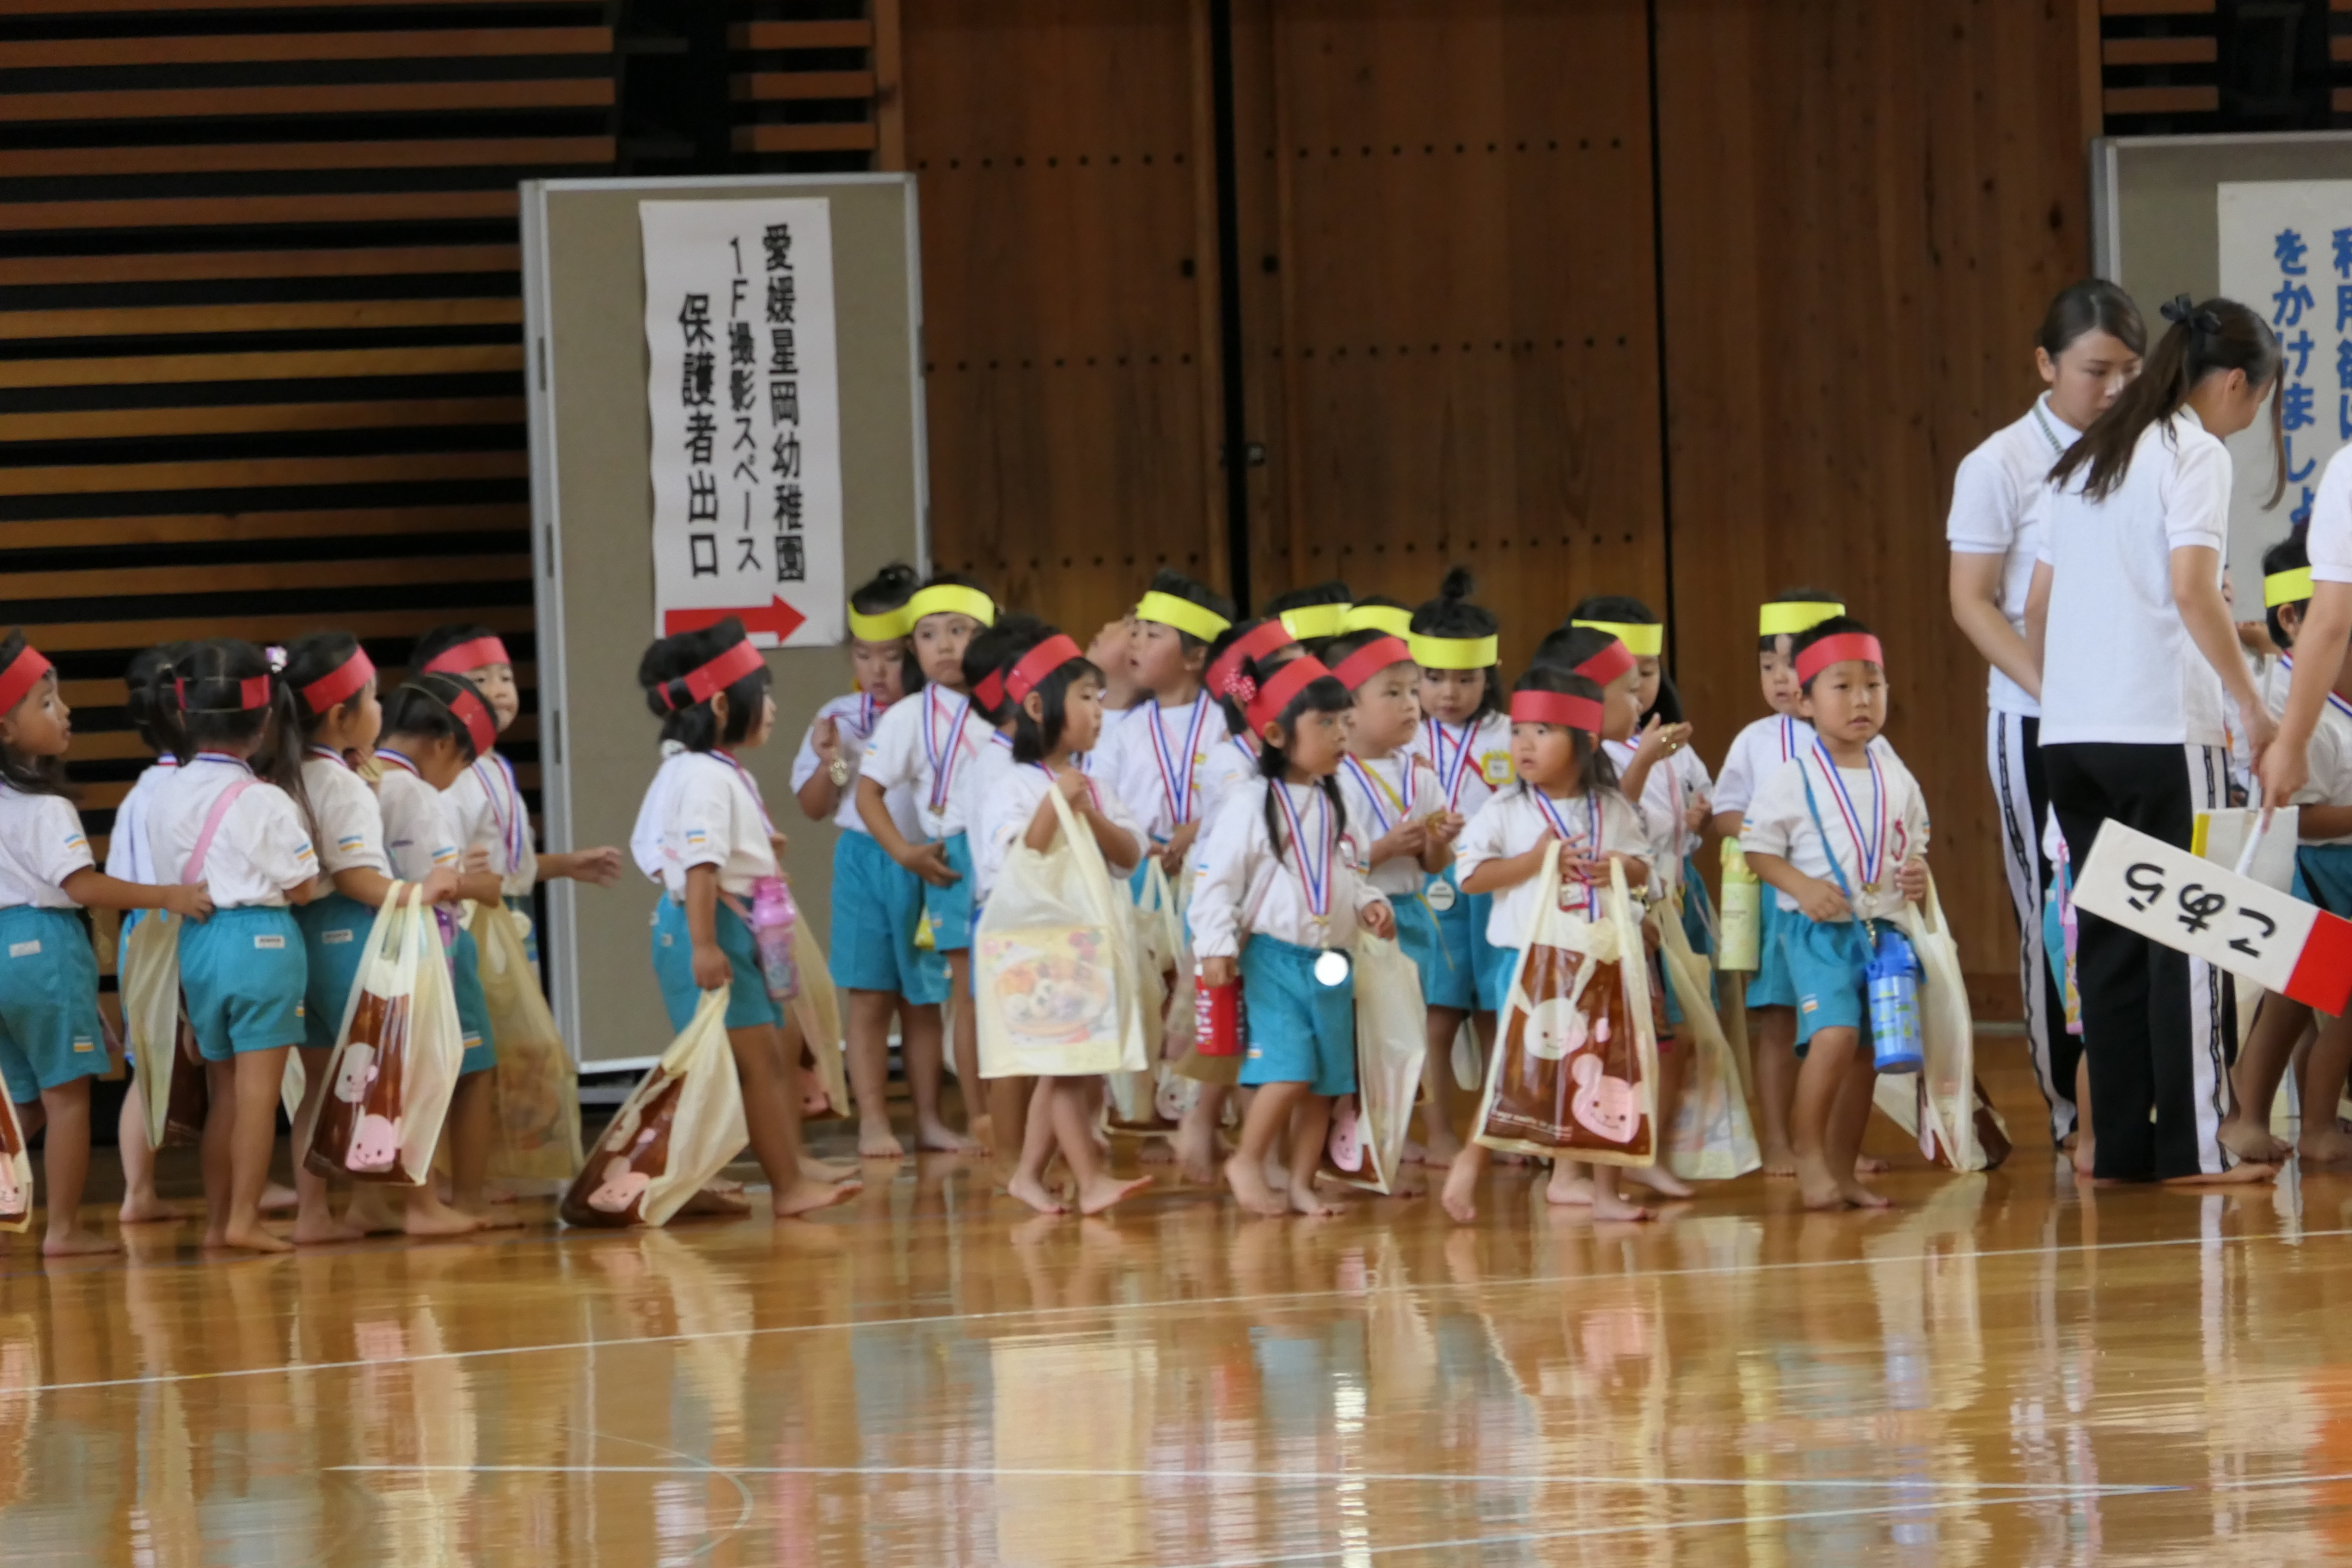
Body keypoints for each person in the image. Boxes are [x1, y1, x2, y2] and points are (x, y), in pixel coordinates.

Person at [2027, 293, 2284, 1186]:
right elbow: (2191, 588)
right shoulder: (2195, 451)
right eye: (2259, 401)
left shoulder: (2087, 452)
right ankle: (2197, 1148)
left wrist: (2071, 695)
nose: (2250, 418)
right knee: (2189, 938)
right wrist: (2252, 707)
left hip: (2070, 737)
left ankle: (2121, 1149)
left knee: (2108, 940)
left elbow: (2037, 607)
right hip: (2161, 733)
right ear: (2237, 383)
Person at [1947, 279, 2147, 1153]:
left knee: (2133, 902)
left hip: (2133, 718)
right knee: (2053, 911)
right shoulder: (1999, 464)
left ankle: (2138, 1100)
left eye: (2131, 370)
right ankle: (2070, 1109)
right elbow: (1973, 601)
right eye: (2096, 371)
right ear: (2045, 364)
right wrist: (2052, 688)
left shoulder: (2150, 451)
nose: (2115, 389)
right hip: (2037, 718)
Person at [632, 618, 861, 1220]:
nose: (774, 707)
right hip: (724, 922)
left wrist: (756, 849)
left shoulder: (712, 767)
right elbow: (701, 864)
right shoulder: (706, 773)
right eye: (764, 694)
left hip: (742, 918)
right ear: (720, 704)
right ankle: (784, 1185)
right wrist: (706, 944)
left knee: (772, 1053)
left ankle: (782, 1169)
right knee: (755, 1063)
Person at [0, 635, 209, 1255]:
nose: (64, 711)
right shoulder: (44, 806)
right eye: (46, 702)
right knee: (68, 1099)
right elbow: (82, 885)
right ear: (5, 729)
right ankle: (63, 1230)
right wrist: (169, 895)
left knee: (23, 1104)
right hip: (42, 944)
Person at [1442, 666, 1653, 1223]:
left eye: (1543, 731)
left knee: (1606, 1072)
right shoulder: (1504, 810)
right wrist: (1537, 860)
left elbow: (1643, 869)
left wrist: (1619, 866)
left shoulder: (1612, 807)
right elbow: (1471, 878)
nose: (1524, 744)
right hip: (1529, 963)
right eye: (1518, 731)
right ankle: (1471, 1161)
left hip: (1601, 960)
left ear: (1586, 741)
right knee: (1522, 1072)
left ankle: (1601, 1190)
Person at [1191, 648, 1396, 1217]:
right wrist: (1215, 946)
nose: (1341, 734)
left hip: (1332, 959)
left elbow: (1351, 871)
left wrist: (1371, 904)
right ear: (1278, 734)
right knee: (1289, 1069)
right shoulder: (1250, 801)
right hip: (1273, 961)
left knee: (1327, 1082)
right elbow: (1217, 881)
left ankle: (1304, 1182)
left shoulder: (1338, 799)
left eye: (1344, 722)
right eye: (1325, 723)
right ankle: (1247, 1160)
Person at [1739, 617, 1932, 1210]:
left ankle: (1844, 1169)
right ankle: (1808, 1155)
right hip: (1818, 933)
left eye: (1873, 685)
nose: (1861, 700)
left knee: (1869, 1053)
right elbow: (1756, 849)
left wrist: (1917, 874)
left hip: (1883, 934)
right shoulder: (1791, 778)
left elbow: (1913, 845)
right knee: (1835, 1035)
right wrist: (1800, 885)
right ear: (1804, 701)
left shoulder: (1897, 776)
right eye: (1842, 687)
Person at [284, 632, 468, 1241]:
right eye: (372, 697)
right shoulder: (339, 783)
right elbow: (356, 877)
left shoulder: (289, 773)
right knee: (392, 1070)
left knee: (320, 1084)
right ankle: (420, 1206)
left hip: (302, 938)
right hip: (349, 938)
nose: (381, 709)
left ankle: (318, 1214)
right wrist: (423, 890)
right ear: (341, 715)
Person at [149, 640, 325, 1253]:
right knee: (258, 1095)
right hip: (261, 943)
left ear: (185, 714)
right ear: (264, 719)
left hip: (198, 941)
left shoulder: (164, 792)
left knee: (224, 1092)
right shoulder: (263, 799)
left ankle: (219, 1220)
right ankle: (245, 1220)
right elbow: (303, 888)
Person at [972, 624, 1150, 1215]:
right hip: (1038, 949)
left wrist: (1089, 812)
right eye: (1085, 697)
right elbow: (1016, 861)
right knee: (1067, 1067)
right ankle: (1089, 1181)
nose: (1099, 710)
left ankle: (1029, 1174)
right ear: (1036, 707)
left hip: (1086, 945)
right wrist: (1057, 804)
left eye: (1100, 698)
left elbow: (1129, 856)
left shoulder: (1093, 785)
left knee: (1070, 1067)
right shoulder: (1010, 785)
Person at [360, 670, 515, 1231]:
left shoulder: (365, 778)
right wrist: (485, 885)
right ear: (445, 744)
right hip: (432, 946)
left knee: (383, 1073)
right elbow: (442, 882)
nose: (458, 778)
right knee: (471, 1068)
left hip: (377, 945)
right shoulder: (417, 793)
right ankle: (464, 1197)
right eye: (465, 762)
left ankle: (368, 1201)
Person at [2219, 532, 2352, 1165]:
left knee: (2307, 1004)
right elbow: (2291, 818)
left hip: (2336, 870)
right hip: (2313, 874)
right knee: (2299, 1001)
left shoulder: (2328, 687)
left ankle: (2311, 1117)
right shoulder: (2292, 707)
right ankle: (2288, 1122)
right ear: (2294, 619)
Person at [855, 574, 995, 1156]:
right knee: (967, 995)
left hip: (1010, 855)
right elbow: (860, 792)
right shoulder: (904, 716)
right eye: (929, 634)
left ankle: (1026, 1111)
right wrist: (905, 852)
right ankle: (981, 1115)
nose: (945, 645)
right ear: (913, 646)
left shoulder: (1008, 705)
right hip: (945, 858)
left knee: (1016, 986)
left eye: (960, 631)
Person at [1709, 590, 1846, 1177]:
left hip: (1843, 899)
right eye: (1769, 667)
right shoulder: (1755, 740)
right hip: (1778, 898)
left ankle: (1837, 1143)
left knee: (1844, 1023)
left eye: (1795, 665)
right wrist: (1765, 832)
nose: (1782, 680)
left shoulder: (1858, 736)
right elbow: (1724, 812)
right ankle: (1776, 1139)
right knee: (1779, 1018)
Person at [791, 564, 920, 1118]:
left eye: (891, 656)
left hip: (926, 860)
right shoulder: (837, 716)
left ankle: (931, 1119)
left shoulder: (936, 712)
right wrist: (833, 762)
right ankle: (872, 1120)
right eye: (864, 655)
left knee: (923, 1002)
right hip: (864, 861)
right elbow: (820, 804)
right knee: (868, 997)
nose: (877, 670)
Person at [1405, 569, 1511, 1167]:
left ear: (1488, 676)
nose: (1449, 692)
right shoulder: (1404, 736)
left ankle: (1499, 1127)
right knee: (1437, 1016)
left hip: (1495, 885)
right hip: (1429, 886)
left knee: (1497, 1012)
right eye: (1434, 677)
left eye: (1466, 679)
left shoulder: (1512, 733)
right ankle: (1438, 1128)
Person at [102, 641, 211, 1227]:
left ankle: (140, 1191)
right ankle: (158, 1192)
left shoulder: (139, 790)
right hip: (181, 930)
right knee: (214, 1061)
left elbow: (121, 881)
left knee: (153, 1066)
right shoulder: (195, 786)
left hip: (141, 934)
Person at [1090, 572, 1234, 883]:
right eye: (1135, 631)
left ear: (1195, 657)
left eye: (1152, 635)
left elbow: (1244, 793)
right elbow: (1099, 800)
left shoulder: (1225, 723)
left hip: (1213, 866)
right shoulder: (1124, 732)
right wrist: (1135, 841)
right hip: (1140, 871)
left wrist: (1197, 829)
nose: (1135, 642)